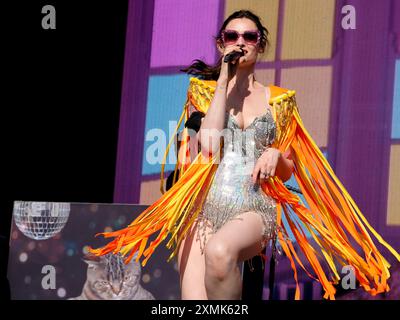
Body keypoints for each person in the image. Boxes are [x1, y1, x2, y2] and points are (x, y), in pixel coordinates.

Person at [90, 10, 400, 300]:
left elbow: (288, 169)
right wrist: (224, 79)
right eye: (232, 37)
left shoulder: (279, 101)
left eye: (249, 37)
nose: (240, 43)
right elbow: (209, 145)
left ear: (260, 45)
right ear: (221, 44)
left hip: (252, 205)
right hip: (202, 207)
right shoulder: (203, 92)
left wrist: (276, 155)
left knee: (220, 250)